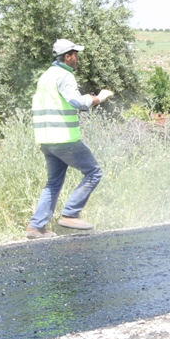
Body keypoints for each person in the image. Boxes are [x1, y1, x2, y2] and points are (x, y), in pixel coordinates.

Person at [27, 38, 113, 239]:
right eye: (76, 55)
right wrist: (100, 97)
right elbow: (76, 103)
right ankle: (70, 214)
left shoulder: (46, 76)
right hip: (64, 138)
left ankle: (36, 227)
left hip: (46, 139)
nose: (77, 59)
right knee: (93, 172)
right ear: (67, 56)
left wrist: (86, 98)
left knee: (53, 183)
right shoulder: (65, 76)